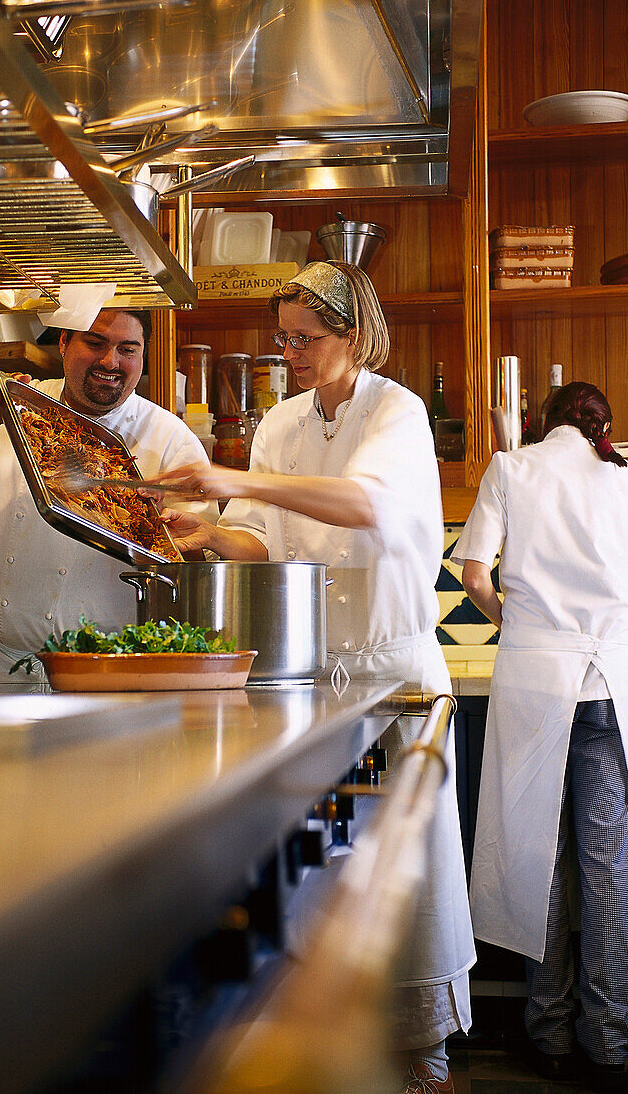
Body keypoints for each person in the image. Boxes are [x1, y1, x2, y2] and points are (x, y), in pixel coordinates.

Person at [149, 261, 476, 1093]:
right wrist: (206, 532)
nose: (287, 351)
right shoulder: (279, 422)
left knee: (410, 875)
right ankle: (320, 1055)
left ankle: (423, 1059)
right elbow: (259, 538)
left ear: (355, 337)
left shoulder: (394, 412)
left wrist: (233, 482)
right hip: (309, 681)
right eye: (282, 336)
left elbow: (363, 504)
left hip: (392, 672)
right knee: (325, 880)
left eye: (304, 338)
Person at [451, 383, 628, 1092]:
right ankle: (610, 1042)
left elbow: (471, 578)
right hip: (609, 686)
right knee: (606, 865)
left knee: (536, 859)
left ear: (543, 423)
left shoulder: (510, 467)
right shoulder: (621, 479)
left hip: (532, 682)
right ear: (602, 427)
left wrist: (514, 622)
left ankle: (547, 1033)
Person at [0, 307, 216, 682]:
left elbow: (197, 565)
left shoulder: (171, 440)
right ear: (64, 342)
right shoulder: (11, 407)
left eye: (128, 349)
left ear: (143, 356)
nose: (110, 361)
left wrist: (152, 527)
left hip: (108, 673)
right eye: (95, 342)